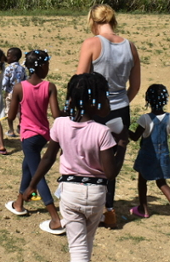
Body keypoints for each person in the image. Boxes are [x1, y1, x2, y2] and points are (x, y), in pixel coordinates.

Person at [23, 73, 124, 262]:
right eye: (104, 96)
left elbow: (47, 158)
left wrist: (32, 185)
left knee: (77, 247)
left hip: (70, 192)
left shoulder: (60, 124)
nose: (106, 100)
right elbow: (110, 173)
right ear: (94, 101)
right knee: (87, 243)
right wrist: (122, 147)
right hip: (96, 195)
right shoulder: (102, 132)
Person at [76, 4, 140, 229]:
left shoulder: (91, 43)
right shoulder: (130, 47)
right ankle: (109, 210)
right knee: (112, 162)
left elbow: (80, 81)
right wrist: (120, 104)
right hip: (121, 110)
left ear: (93, 21)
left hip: (96, 110)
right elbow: (135, 86)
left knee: (88, 159)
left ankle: (87, 208)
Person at [4, 50, 63, 234]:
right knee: (28, 167)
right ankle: (19, 203)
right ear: (42, 67)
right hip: (43, 136)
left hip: (28, 136)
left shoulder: (20, 88)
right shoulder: (50, 87)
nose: (48, 69)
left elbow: (11, 115)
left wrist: (14, 117)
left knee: (38, 175)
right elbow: (56, 115)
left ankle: (55, 218)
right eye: (48, 65)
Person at [129, 84, 170, 229]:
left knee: (142, 181)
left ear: (148, 100)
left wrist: (123, 128)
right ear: (165, 100)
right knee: (161, 182)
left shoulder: (145, 119)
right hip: (164, 155)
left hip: (147, 155)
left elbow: (135, 137)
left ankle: (144, 209)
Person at [2, 47, 27, 137]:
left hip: (10, 93)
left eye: (8, 56)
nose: (7, 57)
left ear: (14, 58)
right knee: (20, 112)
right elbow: (25, 80)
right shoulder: (22, 69)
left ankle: (11, 130)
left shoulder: (9, 69)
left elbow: (5, 82)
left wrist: (2, 88)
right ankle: (20, 127)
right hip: (20, 94)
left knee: (10, 111)